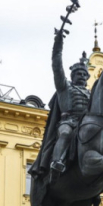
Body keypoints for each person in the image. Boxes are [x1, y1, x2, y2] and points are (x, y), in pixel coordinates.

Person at [30, 31, 90, 182]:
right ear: (72, 76)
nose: (82, 76)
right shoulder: (65, 87)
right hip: (68, 122)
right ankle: (57, 163)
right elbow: (57, 66)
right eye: (78, 74)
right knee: (65, 134)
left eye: (84, 74)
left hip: (86, 124)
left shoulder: (91, 93)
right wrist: (58, 45)